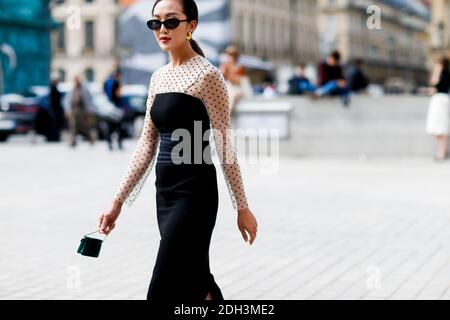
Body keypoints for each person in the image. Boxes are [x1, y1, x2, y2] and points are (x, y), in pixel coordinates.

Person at [97, 0, 258, 301]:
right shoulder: (158, 77)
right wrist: (117, 202)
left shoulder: (209, 76)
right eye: (155, 22)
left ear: (191, 26)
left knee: (164, 283)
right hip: (166, 193)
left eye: (171, 21)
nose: (162, 29)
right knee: (196, 277)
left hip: (196, 195)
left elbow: (225, 145)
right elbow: (146, 144)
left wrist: (242, 206)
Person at [426, 56, 450, 161]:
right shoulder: (442, 75)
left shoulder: (445, 75)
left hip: (441, 101)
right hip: (437, 101)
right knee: (436, 128)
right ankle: (444, 151)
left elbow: (434, 86)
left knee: (441, 127)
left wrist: (436, 72)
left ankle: (442, 153)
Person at [63, 76, 96, 147]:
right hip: (74, 110)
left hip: (83, 110)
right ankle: (73, 141)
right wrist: (67, 110)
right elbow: (67, 101)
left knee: (85, 127)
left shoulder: (84, 89)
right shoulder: (72, 89)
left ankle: (90, 139)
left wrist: (90, 110)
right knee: (73, 126)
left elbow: (89, 100)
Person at [220, 45, 246, 115]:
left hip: (236, 87)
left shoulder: (239, 66)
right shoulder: (225, 65)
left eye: (233, 55)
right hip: (228, 86)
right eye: (229, 55)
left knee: (233, 95)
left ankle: (227, 115)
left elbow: (239, 80)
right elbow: (221, 76)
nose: (231, 57)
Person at [104, 70, 126, 150]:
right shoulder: (116, 83)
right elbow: (118, 94)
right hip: (117, 108)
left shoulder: (107, 82)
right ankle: (119, 143)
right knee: (120, 126)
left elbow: (104, 93)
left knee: (110, 127)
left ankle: (109, 143)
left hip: (109, 108)